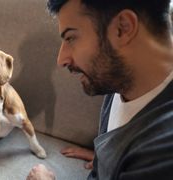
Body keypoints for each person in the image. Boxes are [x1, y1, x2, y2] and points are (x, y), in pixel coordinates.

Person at [27, 0, 173, 179]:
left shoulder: (162, 155)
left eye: (71, 37)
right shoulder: (120, 77)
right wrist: (108, 157)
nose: (61, 59)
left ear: (123, 28)